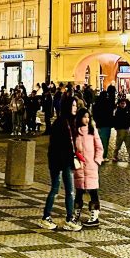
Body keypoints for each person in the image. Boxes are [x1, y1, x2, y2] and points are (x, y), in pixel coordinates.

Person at [39, 97, 81, 231]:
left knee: (65, 190)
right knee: (62, 190)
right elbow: (58, 145)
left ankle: (65, 217)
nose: (75, 108)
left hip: (62, 161)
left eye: (76, 105)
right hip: (60, 162)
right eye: (73, 105)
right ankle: (52, 218)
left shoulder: (70, 122)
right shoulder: (62, 123)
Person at [73, 107, 104, 227]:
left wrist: (96, 161)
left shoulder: (92, 131)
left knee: (93, 191)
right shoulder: (75, 131)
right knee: (79, 192)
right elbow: (73, 149)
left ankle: (94, 216)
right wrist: (75, 162)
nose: (86, 119)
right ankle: (76, 215)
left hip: (91, 166)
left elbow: (99, 147)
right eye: (84, 116)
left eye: (88, 117)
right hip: (79, 167)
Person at [111, 95, 130, 163]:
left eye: (124, 103)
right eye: (121, 103)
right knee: (118, 144)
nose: (123, 105)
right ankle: (115, 156)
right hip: (120, 130)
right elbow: (115, 120)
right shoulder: (117, 111)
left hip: (127, 129)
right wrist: (117, 127)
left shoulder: (127, 110)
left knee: (129, 144)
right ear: (119, 104)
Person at [92, 86, 114, 157]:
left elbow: (94, 114)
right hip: (106, 124)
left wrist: (96, 121)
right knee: (105, 141)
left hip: (99, 124)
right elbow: (111, 113)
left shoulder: (96, 103)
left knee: (99, 140)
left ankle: (98, 154)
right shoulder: (109, 103)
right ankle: (103, 155)